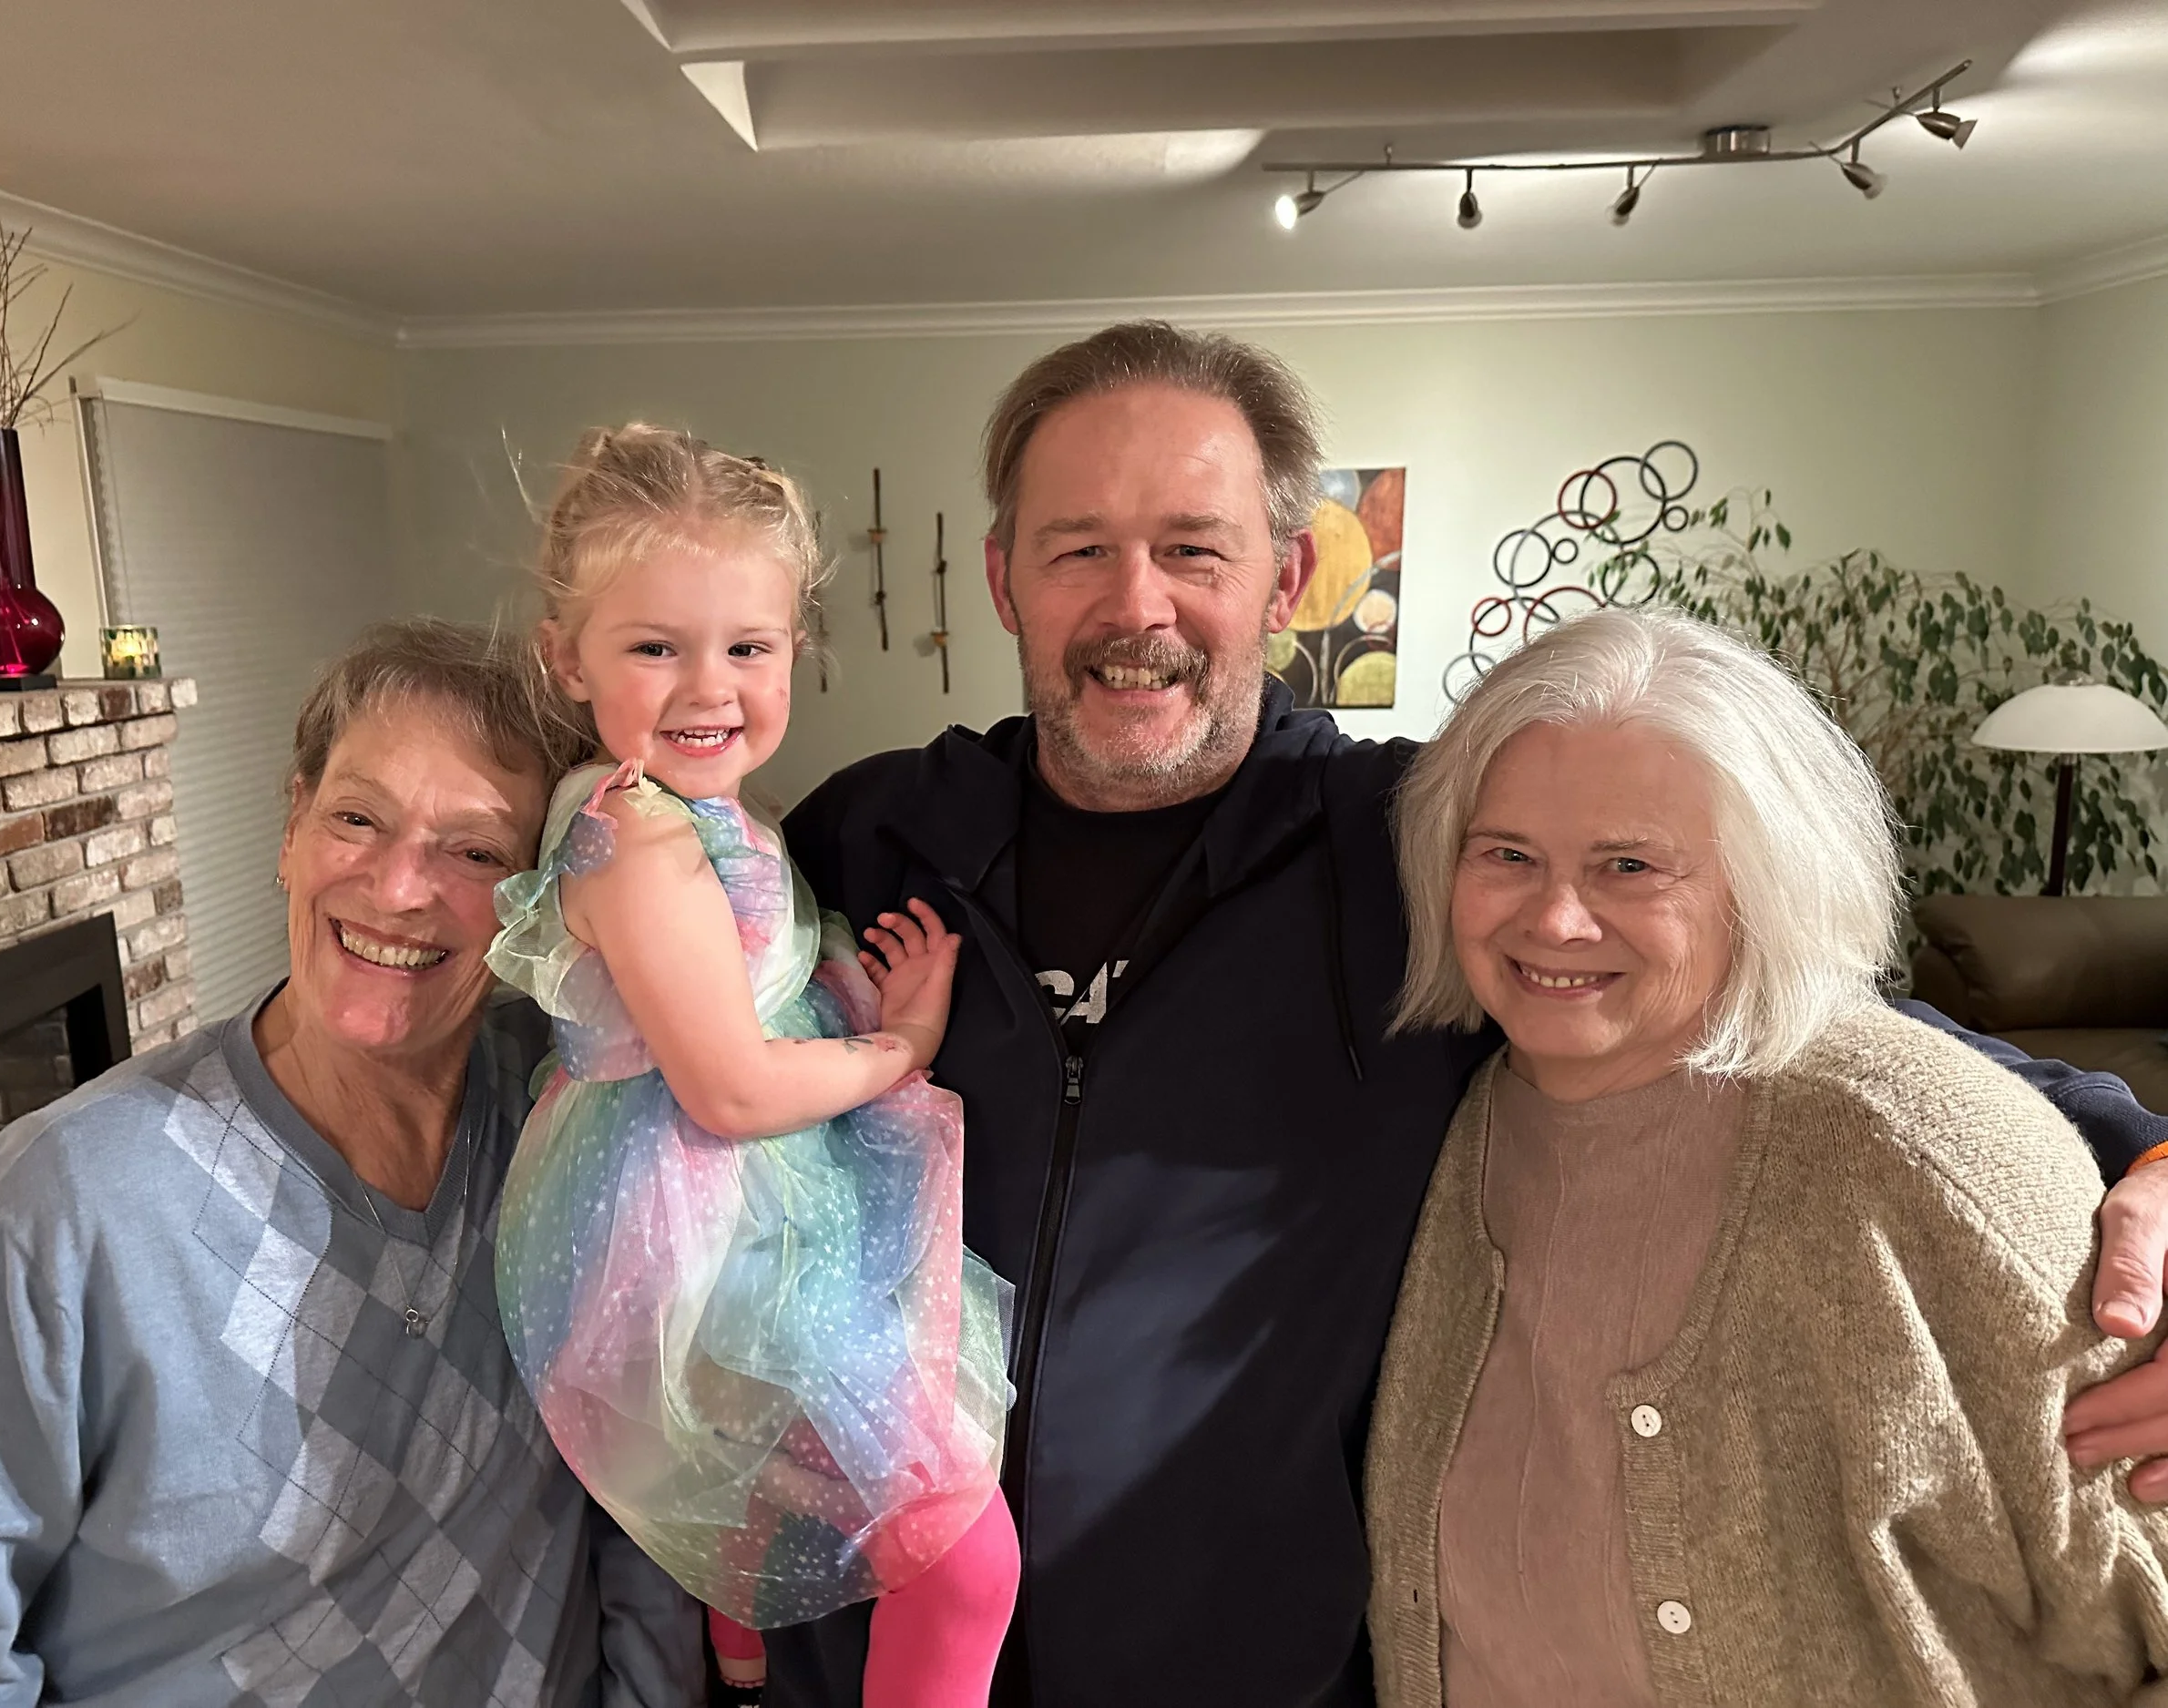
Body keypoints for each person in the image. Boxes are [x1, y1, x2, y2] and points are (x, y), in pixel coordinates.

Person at [769, 320, 2168, 1706]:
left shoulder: (1425, 841)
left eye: (1194, 549)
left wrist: (2141, 1143)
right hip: (879, 1655)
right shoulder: (874, 839)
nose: (1138, 605)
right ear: (1008, 578)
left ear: (1286, 576)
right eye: (1079, 548)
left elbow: (1796, 1011)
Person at [0, 620, 704, 1706]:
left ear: (541, 903)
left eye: (473, 851)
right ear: (291, 828)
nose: (400, 888)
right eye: (357, 818)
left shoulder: (569, 1127)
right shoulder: (63, 1206)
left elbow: (642, 1495)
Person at [1365, 606, 2168, 1704]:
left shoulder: (1922, 1152)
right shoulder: (1458, 1114)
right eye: (1507, 855)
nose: (1553, 919)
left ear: (1760, 881)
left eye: (1630, 865)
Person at [486, 426, 1018, 1708]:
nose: (708, 685)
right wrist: (899, 1049)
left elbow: (742, 993)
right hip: (707, 1232)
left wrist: (839, 990)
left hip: (740, 1201)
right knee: (967, 1558)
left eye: (749, 646)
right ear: (568, 655)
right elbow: (727, 1083)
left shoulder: (705, 815)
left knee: (773, 1512)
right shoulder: (637, 838)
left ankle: (742, 1656)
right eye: (654, 646)